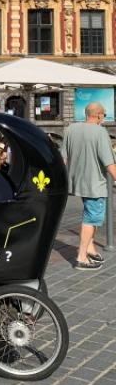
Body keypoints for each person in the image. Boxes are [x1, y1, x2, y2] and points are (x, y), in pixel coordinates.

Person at [61, 102, 116, 271]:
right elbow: (108, 162)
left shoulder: (71, 129)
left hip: (77, 180)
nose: (103, 118)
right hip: (95, 183)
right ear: (98, 115)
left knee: (90, 213)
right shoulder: (100, 132)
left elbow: (63, 157)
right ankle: (81, 257)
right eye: (104, 115)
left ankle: (90, 248)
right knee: (91, 218)